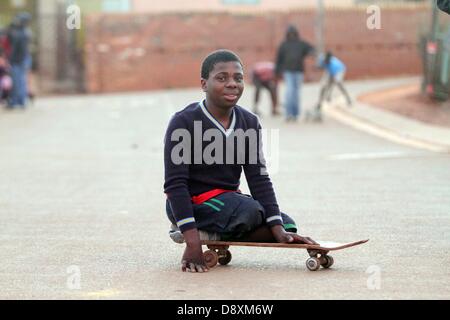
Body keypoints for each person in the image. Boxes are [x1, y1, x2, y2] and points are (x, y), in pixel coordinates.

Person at [164, 50, 317, 273]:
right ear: (204, 84)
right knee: (251, 212)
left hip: (229, 203)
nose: (232, 84)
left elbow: (259, 178)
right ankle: (189, 229)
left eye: (238, 78)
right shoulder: (183, 122)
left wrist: (277, 227)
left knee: (285, 222)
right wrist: (192, 242)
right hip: (194, 203)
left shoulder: (249, 121)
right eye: (222, 78)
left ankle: (215, 233)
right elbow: (175, 184)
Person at [275, 25, 314, 122]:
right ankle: (288, 114)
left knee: (296, 93)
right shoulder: (284, 45)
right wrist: (277, 71)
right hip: (288, 71)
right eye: (290, 33)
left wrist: (311, 53)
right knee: (289, 92)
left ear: (296, 34)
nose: (291, 35)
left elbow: (311, 49)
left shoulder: (301, 44)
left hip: (298, 71)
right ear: (287, 34)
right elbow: (279, 58)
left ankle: (295, 114)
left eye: (293, 33)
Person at [7, 12, 32, 109]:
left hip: (18, 60)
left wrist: (11, 60)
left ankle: (17, 101)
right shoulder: (25, 32)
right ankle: (20, 100)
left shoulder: (21, 33)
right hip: (23, 59)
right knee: (20, 80)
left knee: (18, 81)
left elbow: (15, 48)